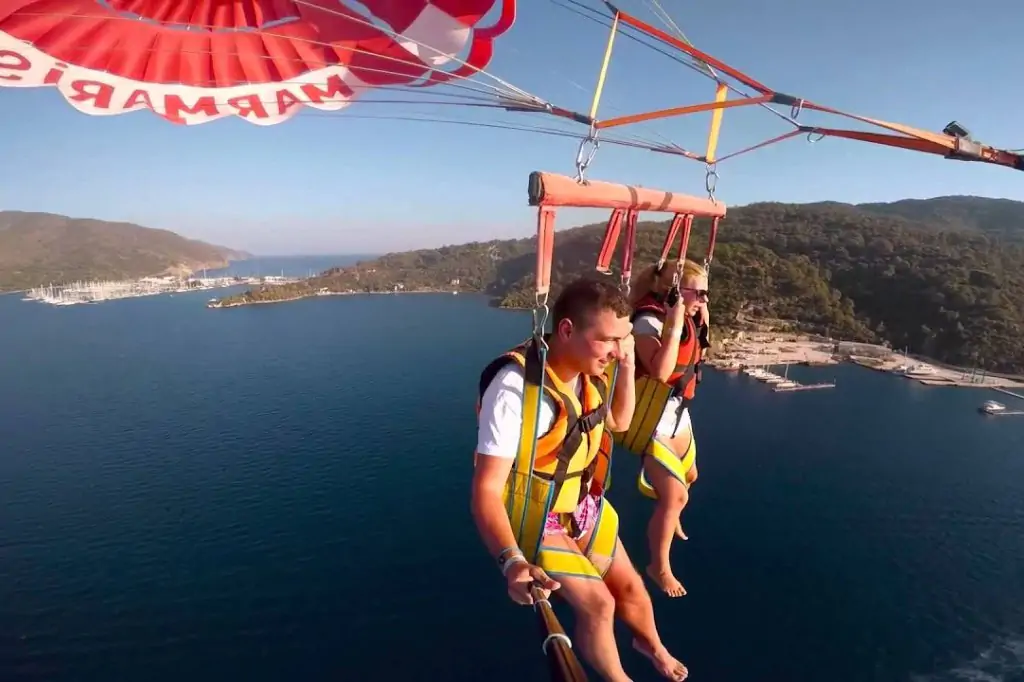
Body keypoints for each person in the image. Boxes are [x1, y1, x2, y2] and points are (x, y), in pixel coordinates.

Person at [471, 277, 688, 682]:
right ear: (567, 330)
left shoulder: (592, 370)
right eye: (608, 340)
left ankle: (650, 645)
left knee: (633, 591)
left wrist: (625, 364)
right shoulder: (517, 389)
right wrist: (511, 561)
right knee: (599, 606)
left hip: (581, 501)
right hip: (537, 513)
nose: (617, 349)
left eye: (622, 340)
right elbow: (486, 488)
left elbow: (620, 421)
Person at [614, 259, 710, 598]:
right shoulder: (647, 321)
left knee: (692, 476)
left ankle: (672, 513)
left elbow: (695, 351)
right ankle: (659, 566)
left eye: (706, 293)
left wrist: (696, 318)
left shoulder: (688, 316)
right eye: (697, 293)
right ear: (673, 292)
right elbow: (660, 370)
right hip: (651, 416)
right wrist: (673, 322)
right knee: (675, 495)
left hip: (676, 411)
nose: (703, 300)